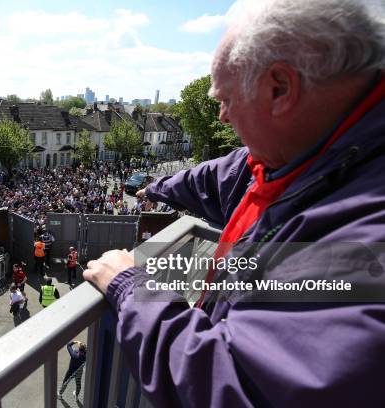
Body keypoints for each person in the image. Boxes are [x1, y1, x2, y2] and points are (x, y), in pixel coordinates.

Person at [83, 0, 385, 406]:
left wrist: (133, 288)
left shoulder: (367, 231)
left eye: (224, 98)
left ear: (280, 88)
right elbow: (227, 174)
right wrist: (158, 188)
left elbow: (238, 387)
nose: (221, 116)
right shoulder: (312, 151)